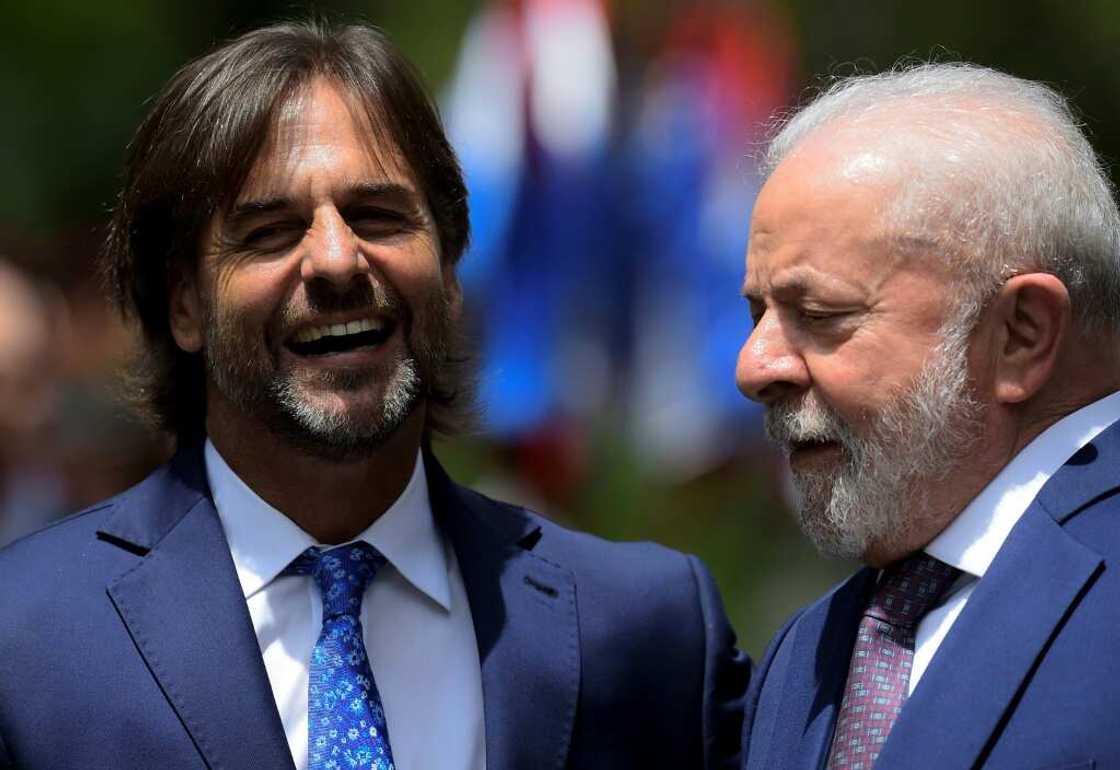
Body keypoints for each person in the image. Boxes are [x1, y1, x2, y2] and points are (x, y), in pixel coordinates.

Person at [0, 21, 748, 770]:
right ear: (185, 304)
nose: (335, 260)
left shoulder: (647, 635)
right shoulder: (26, 638)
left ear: (450, 274)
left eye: (379, 217)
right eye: (270, 231)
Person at [737, 62, 1120, 770]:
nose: (753, 368)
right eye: (757, 313)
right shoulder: (809, 652)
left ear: (1021, 334)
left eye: (818, 314)